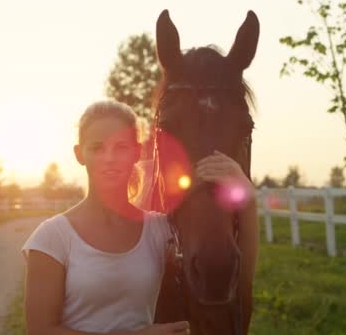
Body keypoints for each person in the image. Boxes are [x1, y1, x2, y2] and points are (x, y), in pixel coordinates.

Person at [22, 100, 257, 335]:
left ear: (136, 152)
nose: (109, 157)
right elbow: (40, 330)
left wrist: (248, 198)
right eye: (97, 148)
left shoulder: (158, 230)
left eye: (121, 147)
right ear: (79, 154)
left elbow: (238, 272)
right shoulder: (52, 238)